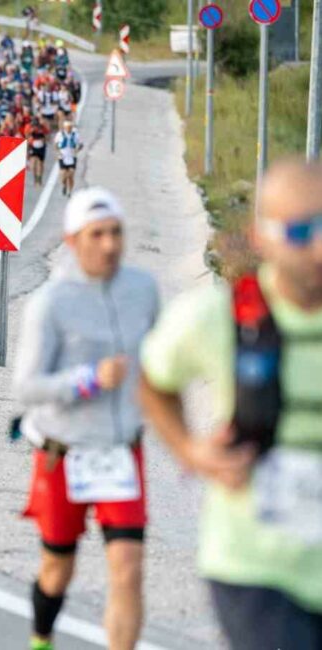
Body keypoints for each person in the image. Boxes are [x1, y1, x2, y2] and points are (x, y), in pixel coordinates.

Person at [139, 160, 322, 650]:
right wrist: (190, 450)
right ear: (262, 238)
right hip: (257, 570)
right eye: (303, 231)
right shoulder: (219, 318)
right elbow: (152, 379)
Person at [12, 188, 158, 650]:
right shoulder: (50, 303)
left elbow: (162, 362)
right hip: (63, 452)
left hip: (120, 450)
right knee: (58, 568)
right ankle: (41, 638)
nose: (110, 245)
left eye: (116, 233)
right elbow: (27, 387)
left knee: (128, 569)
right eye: (98, 235)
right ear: (73, 240)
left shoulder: (142, 289)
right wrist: (89, 379)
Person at [55, 120, 82, 197]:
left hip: (72, 156)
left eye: (70, 127)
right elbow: (56, 145)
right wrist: (58, 152)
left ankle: (70, 191)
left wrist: (77, 150)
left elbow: (80, 144)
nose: (69, 129)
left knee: (71, 174)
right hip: (63, 156)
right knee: (63, 174)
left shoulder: (75, 135)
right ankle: (64, 184)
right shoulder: (60, 134)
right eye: (67, 128)